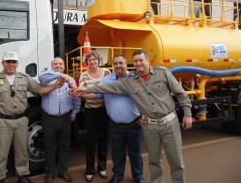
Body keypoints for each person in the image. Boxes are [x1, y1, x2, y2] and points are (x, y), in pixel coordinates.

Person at [71, 49, 193, 183]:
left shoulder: (162, 72)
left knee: (176, 161)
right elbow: (104, 88)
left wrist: (187, 114)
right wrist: (85, 90)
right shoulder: (130, 81)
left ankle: (154, 178)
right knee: (153, 162)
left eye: (141, 60)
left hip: (165, 123)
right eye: (136, 61)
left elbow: (180, 93)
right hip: (148, 125)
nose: (138, 63)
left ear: (148, 60)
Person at [0, 51, 65, 183]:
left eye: (14, 62)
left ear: (17, 64)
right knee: (1, 153)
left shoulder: (24, 78)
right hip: (2, 123)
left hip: (21, 121)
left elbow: (40, 90)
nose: (11, 64)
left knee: (22, 152)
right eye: (8, 61)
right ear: (2, 63)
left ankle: (23, 176)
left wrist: (54, 86)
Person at [83, 54, 145, 183]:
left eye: (120, 63)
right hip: (115, 124)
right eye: (115, 63)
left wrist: (142, 116)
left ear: (126, 64)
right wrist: (81, 94)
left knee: (135, 153)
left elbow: (144, 98)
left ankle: (138, 176)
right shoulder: (107, 80)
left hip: (134, 124)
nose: (118, 66)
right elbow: (97, 95)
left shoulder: (136, 78)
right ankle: (117, 175)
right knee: (117, 153)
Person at [39, 57, 81, 183]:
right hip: (49, 118)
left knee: (64, 146)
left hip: (65, 118)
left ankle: (63, 171)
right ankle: (50, 173)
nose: (58, 65)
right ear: (52, 66)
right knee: (49, 147)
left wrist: (74, 113)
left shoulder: (71, 80)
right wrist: (61, 75)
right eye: (55, 64)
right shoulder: (47, 79)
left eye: (60, 64)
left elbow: (76, 98)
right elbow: (41, 77)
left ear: (64, 66)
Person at [80, 51, 111, 182]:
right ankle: (89, 170)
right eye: (90, 60)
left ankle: (102, 167)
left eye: (94, 59)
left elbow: (110, 89)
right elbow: (81, 94)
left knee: (103, 139)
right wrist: (96, 95)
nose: (92, 62)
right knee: (90, 140)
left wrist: (93, 94)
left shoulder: (107, 73)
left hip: (104, 110)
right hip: (90, 110)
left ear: (98, 60)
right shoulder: (84, 75)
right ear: (87, 63)